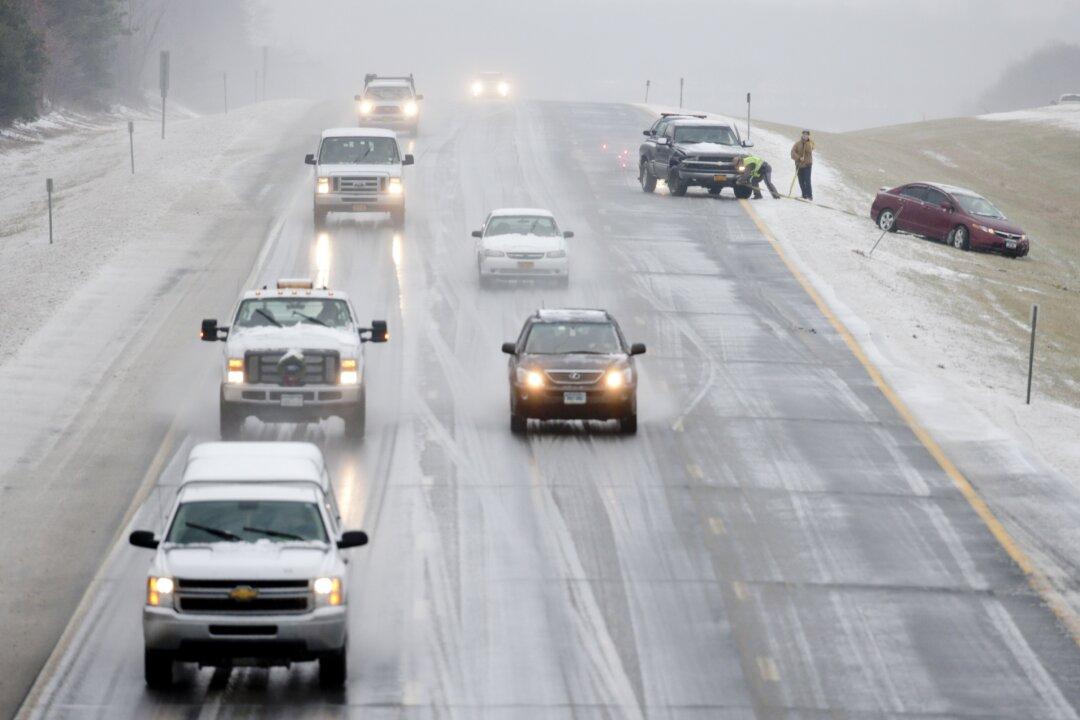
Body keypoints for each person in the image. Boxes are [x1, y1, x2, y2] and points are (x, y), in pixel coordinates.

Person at [790, 130, 815, 200]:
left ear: (808, 136)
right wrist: (798, 158)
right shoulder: (797, 144)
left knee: (807, 180)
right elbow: (792, 152)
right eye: (804, 134)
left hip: (807, 165)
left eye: (807, 135)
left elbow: (809, 150)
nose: (805, 135)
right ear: (802, 135)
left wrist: (806, 142)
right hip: (799, 165)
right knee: (801, 180)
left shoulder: (810, 143)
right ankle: (804, 195)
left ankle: (809, 196)